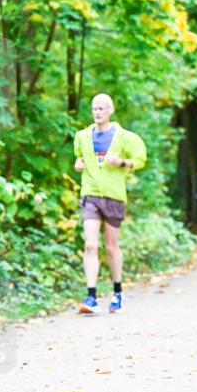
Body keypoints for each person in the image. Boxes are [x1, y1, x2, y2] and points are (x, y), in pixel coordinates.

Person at [73, 94, 147, 314]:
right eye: (95, 109)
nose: (98, 112)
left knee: (111, 246)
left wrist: (122, 162)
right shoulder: (82, 136)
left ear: (111, 110)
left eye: (102, 108)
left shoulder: (125, 137)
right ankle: (91, 297)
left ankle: (117, 292)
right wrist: (78, 164)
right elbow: (79, 158)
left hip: (114, 196)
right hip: (90, 194)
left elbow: (140, 160)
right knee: (90, 245)